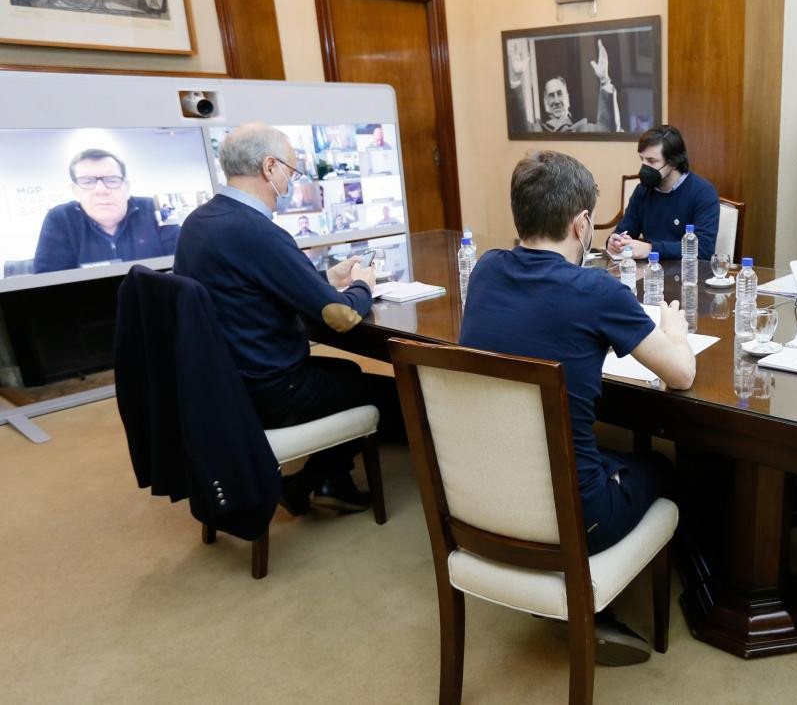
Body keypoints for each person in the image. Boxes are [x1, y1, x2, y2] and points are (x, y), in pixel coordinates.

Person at [459, 150, 695, 665]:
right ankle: (593, 602)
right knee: (660, 466)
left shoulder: (484, 270)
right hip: (573, 516)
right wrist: (674, 332)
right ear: (582, 222)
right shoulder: (595, 289)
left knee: (600, 455)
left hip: (479, 493)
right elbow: (680, 376)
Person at [173, 123, 405, 515]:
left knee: (345, 372)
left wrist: (327, 279)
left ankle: (330, 479)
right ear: (269, 168)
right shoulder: (256, 231)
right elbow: (342, 316)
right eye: (292, 173)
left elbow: (255, 286)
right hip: (273, 390)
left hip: (226, 381)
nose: (292, 182)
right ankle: (313, 481)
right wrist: (363, 285)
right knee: (395, 394)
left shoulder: (200, 222)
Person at [33, 149, 178, 273]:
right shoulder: (59, 219)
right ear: (75, 190)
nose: (101, 190)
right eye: (87, 182)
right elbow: (48, 283)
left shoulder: (162, 207)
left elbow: (183, 263)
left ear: (126, 186)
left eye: (112, 180)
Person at [606, 125, 719, 261]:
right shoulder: (642, 190)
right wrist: (614, 242)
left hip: (687, 276)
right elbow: (625, 229)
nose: (644, 166)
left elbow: (704, 249)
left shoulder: (703, 193)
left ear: (674, 163)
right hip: (649, 273)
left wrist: (651, 249)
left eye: (651, 161)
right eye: (642, 159)